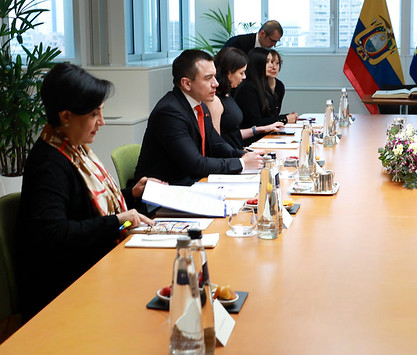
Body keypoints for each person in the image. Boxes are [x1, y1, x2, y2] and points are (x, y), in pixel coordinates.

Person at [16, 64, 158, 320]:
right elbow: (53, 234)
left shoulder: (73, 149)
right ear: (66, 116)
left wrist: (131, 194)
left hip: (91, 266)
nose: (101, 122)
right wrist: (117, 221)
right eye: (94, 115)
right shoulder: (50, 164)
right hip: (64, 289)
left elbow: (87, 206)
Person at [134, 49, 265, 186]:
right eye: (208, 78)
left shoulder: (199, 106)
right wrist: (242, 163)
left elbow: (217, 145)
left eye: (215, 76)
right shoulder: (169, 112)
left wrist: (244, 155)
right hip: (166, 192)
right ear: (186, 83)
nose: (216, 83)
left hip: (192, 183)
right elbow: (195, 164)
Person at [208, 47, 284, 149]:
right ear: (229, 72)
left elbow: (233, 135)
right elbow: (217, 144)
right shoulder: (215, 100)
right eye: (241, 73)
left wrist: (259, 129)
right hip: (232, 158)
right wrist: (242, 156)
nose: (244, 77)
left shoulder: (227, 94)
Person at [235, 48, 298, 145]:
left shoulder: (276, 85)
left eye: (277, 63)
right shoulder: (247, 88)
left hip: (266, 135)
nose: (273, 66)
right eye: (268, 62)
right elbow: (256, 122)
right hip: (251, 140)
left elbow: (272, 116)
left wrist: (286, 118)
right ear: (258, 63)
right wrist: (284, 119)